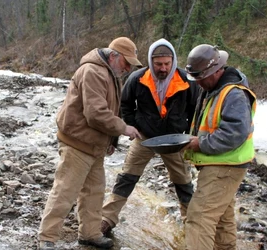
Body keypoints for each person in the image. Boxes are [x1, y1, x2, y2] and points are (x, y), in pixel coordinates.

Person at [38, 37, 143, 250]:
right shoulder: (92, 72)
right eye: (126, 63)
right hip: (77, 143)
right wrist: (124, 128)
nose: (128, 68)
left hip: (94, 145)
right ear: (114, 56)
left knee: (94, 191)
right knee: (65, 191)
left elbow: (112, 109)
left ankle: (89, 234)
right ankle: (47, 238)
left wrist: (111, 141)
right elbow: (96, 113)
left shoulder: (111, 73)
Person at [101, 38, 200, 235]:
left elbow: (195, 109)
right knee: (127, 177)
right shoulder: (137, 78)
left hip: (174, 140)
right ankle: (107, 219)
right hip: (144, 138)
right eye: (158, 64)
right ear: (150, 62)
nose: (163, 68)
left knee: (183, 183)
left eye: (166, 64)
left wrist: (189, 134)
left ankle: (192, 225)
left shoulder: (186, 80)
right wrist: (133, 126)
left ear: (173, 61)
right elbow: (125, 104)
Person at [183, 44, 256, 250]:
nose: (197, 82)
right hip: (223, 162)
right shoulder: (215, 89)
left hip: (225, 164)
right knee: (222, 218)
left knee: (199, 217)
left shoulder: (233, 93)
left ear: (215, 72)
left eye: (200, 78)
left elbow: (235, 133)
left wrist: (201, 143)